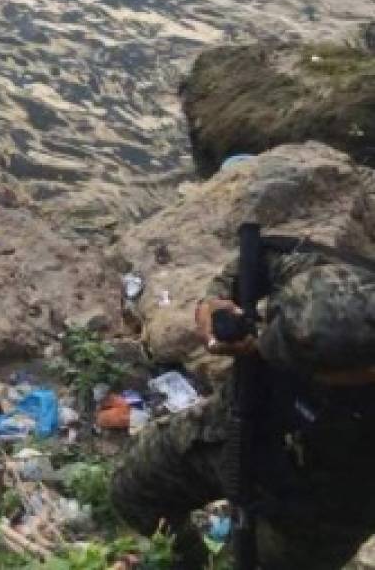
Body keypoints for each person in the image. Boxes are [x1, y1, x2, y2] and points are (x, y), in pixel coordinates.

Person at [110, 238, 375, 570]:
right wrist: (214, 305)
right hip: (239, 424)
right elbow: (258, 257)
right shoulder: (323, 281)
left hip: (322, 503)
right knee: (134, 488)